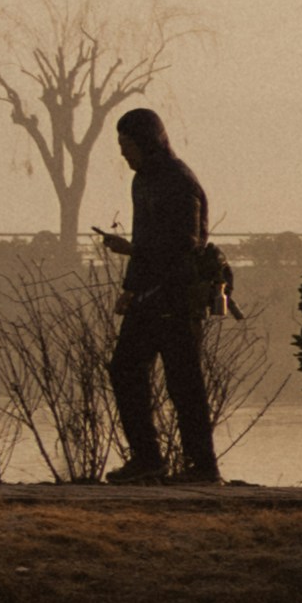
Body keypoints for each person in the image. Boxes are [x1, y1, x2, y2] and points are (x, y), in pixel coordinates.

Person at [107, 102, 228, 489]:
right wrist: (129, 287)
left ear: (146, 142)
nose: (123, 152)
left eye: (127, 143)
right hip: (147, 295)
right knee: (125, 369)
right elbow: (145, 236)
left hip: (177, 296)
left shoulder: (178, 181)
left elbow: (186, 243)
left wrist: (132, 252)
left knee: (184, 382)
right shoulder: (142, 180)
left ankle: (203, 466)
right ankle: (147, 459)